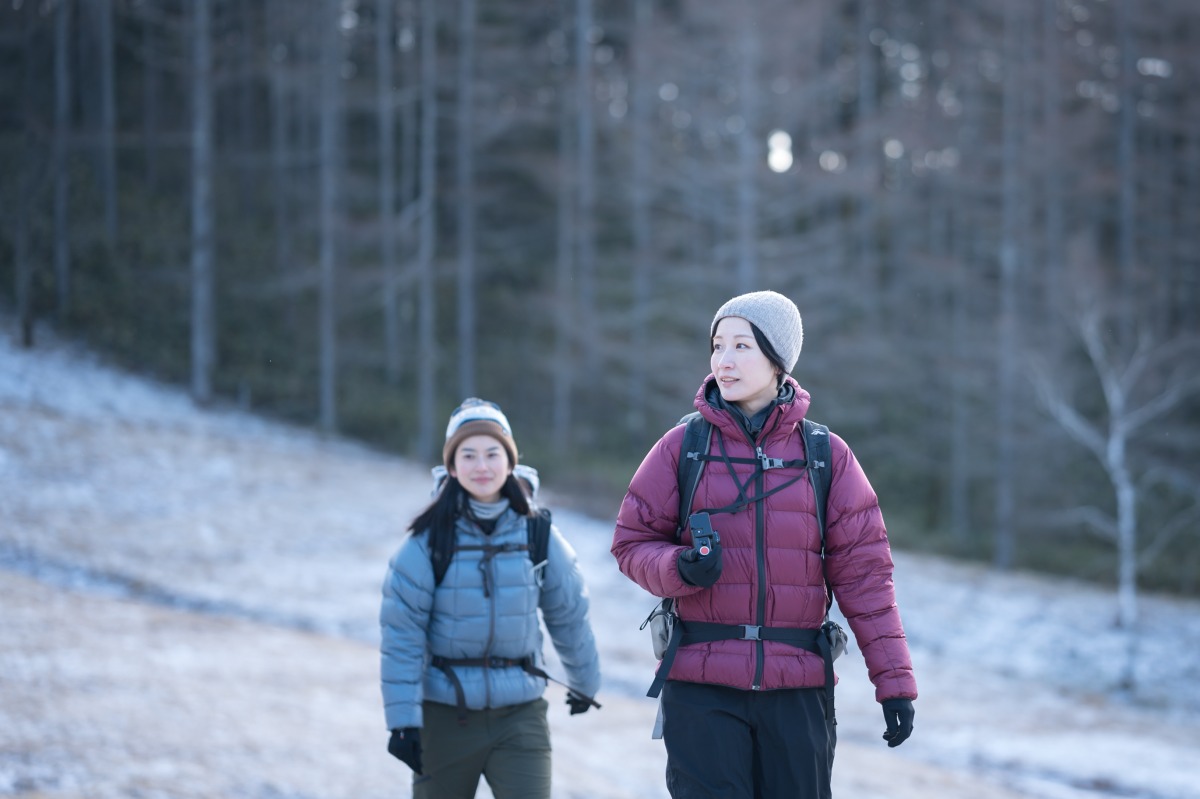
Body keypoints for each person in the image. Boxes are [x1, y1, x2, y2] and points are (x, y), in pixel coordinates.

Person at [611, 290, 917, 798]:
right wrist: (679, 567)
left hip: (797, 691)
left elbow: (866, 578)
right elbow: (631, 544)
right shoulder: (682, 447)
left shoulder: (827, 456)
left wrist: (895, 685)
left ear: (778, 359)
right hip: (702, 682)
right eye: (716, 345)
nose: (723, 361)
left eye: (741, 346)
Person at [380, 398, 601, 799]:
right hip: (444, 716)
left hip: (520, 716)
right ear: (451, 466)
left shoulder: (539, 535)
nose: (481, 466)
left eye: (492, 453)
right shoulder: (427, 543)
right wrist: (403, 721)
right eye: (468, 455)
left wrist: (584, 682)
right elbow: (402, 637)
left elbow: (569, 614)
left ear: (510, 461)